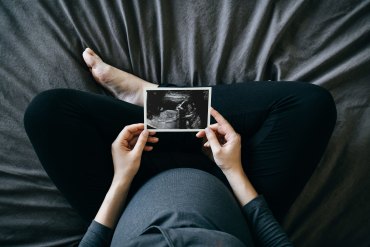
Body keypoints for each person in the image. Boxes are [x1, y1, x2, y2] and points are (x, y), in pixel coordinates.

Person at [23, 48, 337, 246]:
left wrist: (121, 178)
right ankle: (156, 100)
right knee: (311, 105)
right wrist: (233, 170)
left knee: (47, 113)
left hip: (127, 194)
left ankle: (154, 103)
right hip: (234, 192)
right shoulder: (233, 176)